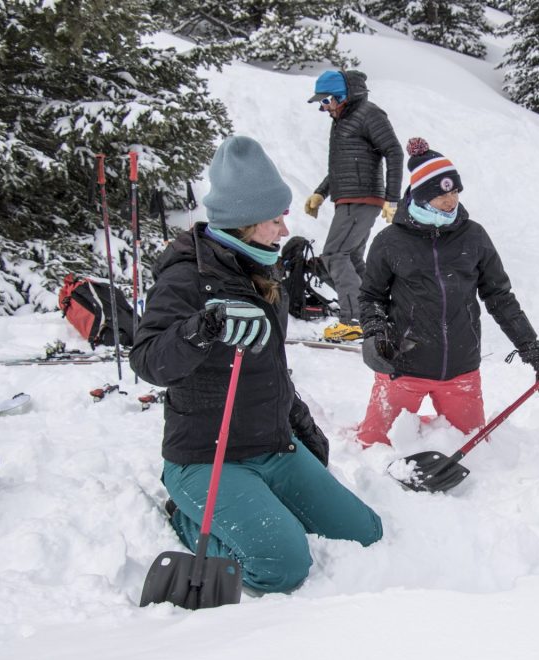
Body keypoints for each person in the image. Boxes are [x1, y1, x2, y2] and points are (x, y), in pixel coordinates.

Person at [131, 135, 383, 594]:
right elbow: (148, 362)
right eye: (274, 220)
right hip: (206, 455)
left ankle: (259, 504)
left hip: (270, 445)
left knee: (366, 533)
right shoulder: (186, 276)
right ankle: (188, 516)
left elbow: (272, 368)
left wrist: (301, 426)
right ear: (244, 224)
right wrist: (202, 328)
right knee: (281, 567)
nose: (284, 231)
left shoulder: (265, 270)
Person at [356, 137, 539, 447]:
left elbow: (501, 298)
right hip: (402, 366)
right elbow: (371, 296)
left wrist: (534, 352)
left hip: (460, 370)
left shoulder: (473, 236)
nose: (451, 201)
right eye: (442, 195)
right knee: (372, 448)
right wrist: (373, 333)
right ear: (422, 196)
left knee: (474, 448)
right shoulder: (390, 241)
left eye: (454, 192)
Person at [304, 69, 403, 342]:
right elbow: (343, 166)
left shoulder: (369, 114)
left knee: (335, 254)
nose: (323, 108)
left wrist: (392, 199)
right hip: (348, 198)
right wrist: (320, 193)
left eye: (325, 101)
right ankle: (375, 315)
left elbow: (394, 151)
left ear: (341, 96)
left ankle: (354, 321)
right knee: (353, 258)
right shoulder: (344, 119)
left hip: (361, 198)